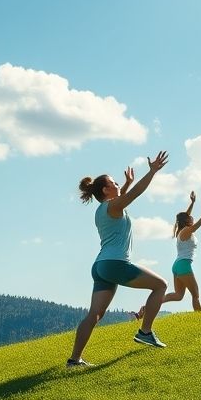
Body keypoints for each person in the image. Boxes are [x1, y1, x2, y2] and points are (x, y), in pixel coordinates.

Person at [68, 152, 170, 366]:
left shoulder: (102, 209)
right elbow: (134, 195)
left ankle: (74, 359)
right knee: (161, 285)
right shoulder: (112, 207)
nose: (117, 185)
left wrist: (126, 184)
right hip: (115, 263)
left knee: (94, 314)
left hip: (100, 266)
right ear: (106, 190)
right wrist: (151, 172)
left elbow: (122, 197)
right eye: (114, 183)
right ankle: (145, 331)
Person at [158, 192, 201, 312]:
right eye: (190, 218)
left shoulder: (180, 231)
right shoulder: (186, 230)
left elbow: (185, 216)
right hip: (183, 265)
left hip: (177, 265)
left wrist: (192, 203)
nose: (192, 218)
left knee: (178, 295)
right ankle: (200, 317)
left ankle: (150, 305)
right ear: (186, 221)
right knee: (195, 294)